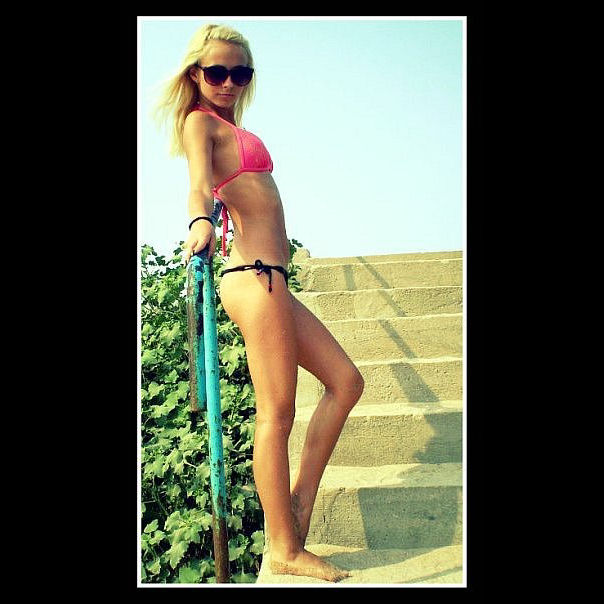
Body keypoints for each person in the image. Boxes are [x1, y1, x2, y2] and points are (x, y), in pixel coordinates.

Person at [155, 23, 364, 582]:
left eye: (240, 73)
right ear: (196, 74)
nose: (228, 82)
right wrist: (199, 221)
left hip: (273, 281)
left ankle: (297, 505)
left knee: (346, 382)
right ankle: (283, 547)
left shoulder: (231, 126)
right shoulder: (199, 122)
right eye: (216, 72)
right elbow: (198, 185)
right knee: (277, 412)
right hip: (253, 278)